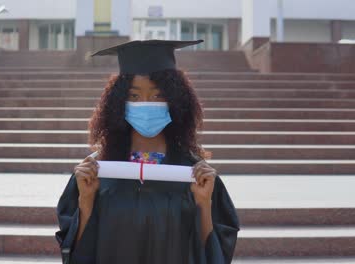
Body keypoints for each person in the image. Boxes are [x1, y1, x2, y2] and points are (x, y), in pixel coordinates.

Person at [55, 39, 240, 264]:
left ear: (175, 100)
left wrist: (203, 203)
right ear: (119, 102)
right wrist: (86, 200)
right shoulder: (97, 172)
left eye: (158, 95)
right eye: (133, 96)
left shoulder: (194, 174)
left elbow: (214, 255)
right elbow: (76, 254)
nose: (145, 103)